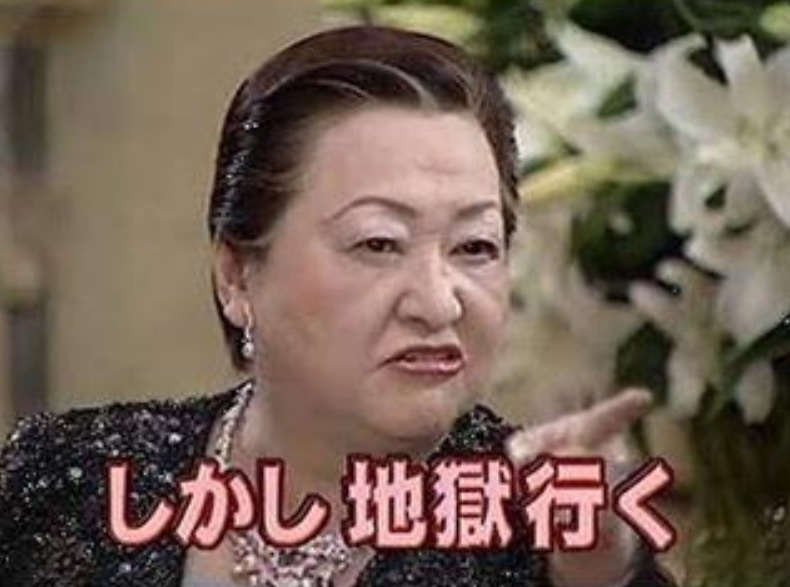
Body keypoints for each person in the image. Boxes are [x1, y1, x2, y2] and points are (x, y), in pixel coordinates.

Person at [0, 25, 674, 587]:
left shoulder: (546, 532)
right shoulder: (72, 475)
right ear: (236, 275)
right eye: (378, 243)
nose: (438, 302)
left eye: (474, 246)